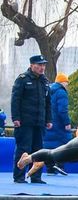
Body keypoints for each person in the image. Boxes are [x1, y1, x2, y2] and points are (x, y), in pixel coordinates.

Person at [11, 54, 52, 184]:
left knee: (38, 151)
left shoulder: (44, 81)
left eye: (43, 65)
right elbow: (15, 100)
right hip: (25, 121)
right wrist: (15, 117)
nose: (42, 67)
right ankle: (19, 177)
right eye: (39, 65)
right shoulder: (22, 79)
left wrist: (48, 119)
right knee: (23, 149)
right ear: (31, 65)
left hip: (39, 122)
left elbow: (48, 103)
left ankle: (35, 176)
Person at [43, 72, 73, 174]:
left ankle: (50, 167)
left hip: (48, 121)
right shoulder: (61, 92)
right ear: (63, 82)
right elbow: (62, 110)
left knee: (48, 145)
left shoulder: (49, 90)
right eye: (67, 83)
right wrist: (67, 122)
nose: (67, 85)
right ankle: (59, 165)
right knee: (63, 145)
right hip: (59, 123)